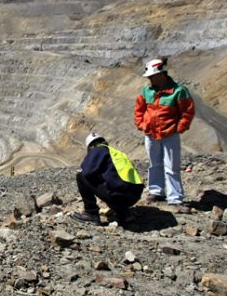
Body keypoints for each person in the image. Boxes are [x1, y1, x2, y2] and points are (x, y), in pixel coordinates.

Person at [134, 58, 194, 209]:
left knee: (171, 166)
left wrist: (179, 128)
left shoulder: (178, 92)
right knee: (155, 164)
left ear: (162, 74)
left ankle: (175, 198)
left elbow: (187, 112)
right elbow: (139, 110)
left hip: (169, 134)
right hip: (151, 134)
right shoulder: (146, 91)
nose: (149, 79)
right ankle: (156, 191)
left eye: (152, 76)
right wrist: (141, 125)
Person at [72, 132, 144, 225]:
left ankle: (91, 213)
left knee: (81, 176)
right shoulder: (115, 153)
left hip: (119, 196)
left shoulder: (97, 150)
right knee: (112, 181)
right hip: (135, 195)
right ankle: (124, 214)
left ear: (90, 146)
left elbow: (87, 171)